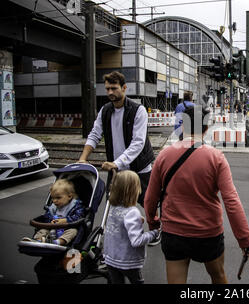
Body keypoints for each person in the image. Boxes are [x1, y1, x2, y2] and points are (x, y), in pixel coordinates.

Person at [144, 106, 249, 284]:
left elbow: (150, 197)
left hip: (174, 233)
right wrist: (244, 238)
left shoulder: (164, 155)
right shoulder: (216, 157)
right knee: (218, 276)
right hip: (208, 234)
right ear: (206, 127)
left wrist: (153, 222)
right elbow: (231, 201)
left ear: (183, 125)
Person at [78, 71, 159, 245]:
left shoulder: (138, 110)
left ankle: (155, 230)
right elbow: (94, 134)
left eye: (113, 88)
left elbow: (138, 143)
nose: (109, 92)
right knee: (113, 204)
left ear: (124, 88)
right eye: (107, 89)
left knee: (148, 204)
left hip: (139, 168)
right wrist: (83, 158)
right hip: (116, 168)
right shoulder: (105, 110)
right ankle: (117, 238)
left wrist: (117, 162)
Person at [103, 170, 160, 284]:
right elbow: (137, 241)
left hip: (111, 258)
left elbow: (119, 225)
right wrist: (154, 233)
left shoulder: (113, 207)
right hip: (127, 261)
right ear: (134, 190)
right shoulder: (132, 212)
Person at [22, 179, 85, 245]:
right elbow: (47, 217)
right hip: (52, 229)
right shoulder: (53, 207)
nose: (54, 201)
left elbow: (79, 217)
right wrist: (51, 220)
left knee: (73, 231)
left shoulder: (75, 206)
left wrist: (65, 220)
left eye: (58, 198)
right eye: (53, 198)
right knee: (43, 230)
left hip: (67, 228)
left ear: (69, 196)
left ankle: (58, 242)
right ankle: (37, 240)